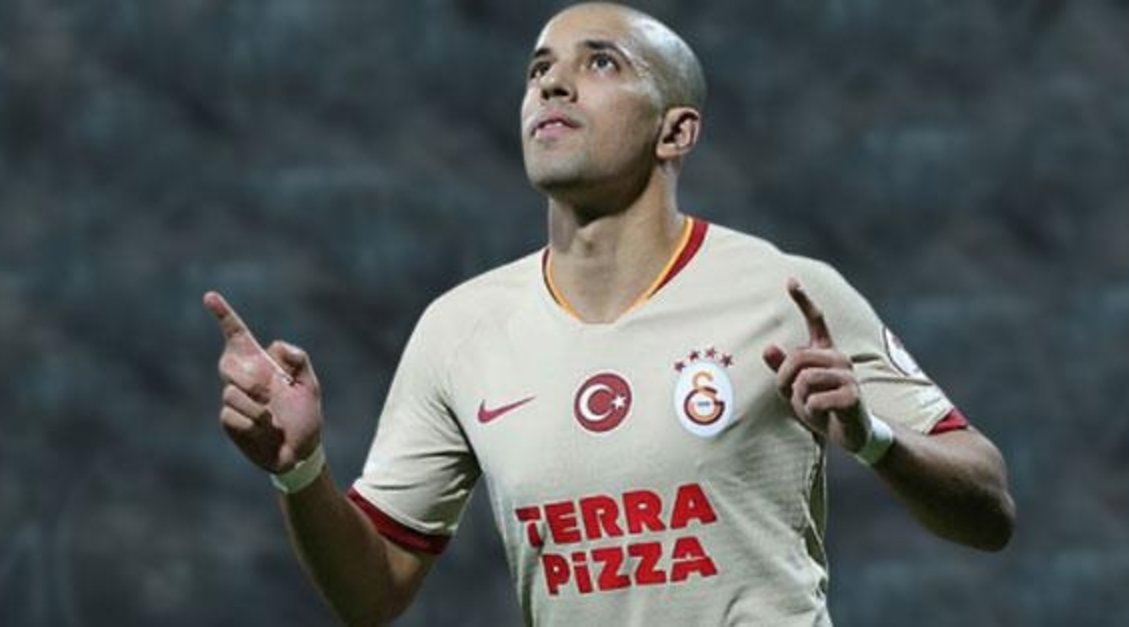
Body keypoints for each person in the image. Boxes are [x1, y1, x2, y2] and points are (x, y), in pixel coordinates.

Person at [203, 3, 1016, 625]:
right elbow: (373, 591)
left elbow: (989, 509)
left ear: (676, 131)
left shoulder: (788, 292)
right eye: (539, 69)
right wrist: (299, 470)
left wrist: (874, 438)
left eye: (600, 62)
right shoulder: (460, 328)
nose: (551, 84)